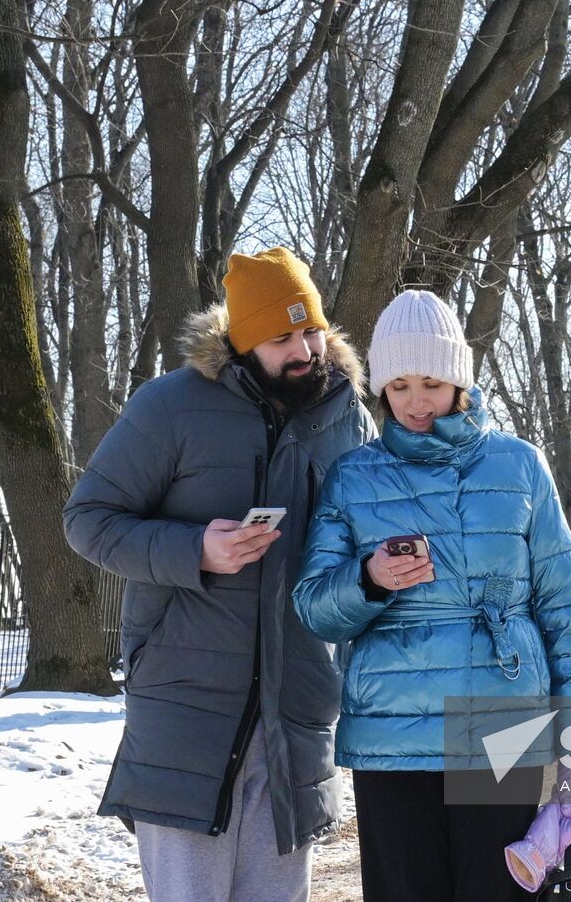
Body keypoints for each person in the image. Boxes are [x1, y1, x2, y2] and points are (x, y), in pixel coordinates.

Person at [63, 247, 377, 902]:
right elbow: (88, 518)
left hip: (298, 713)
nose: (306, 349)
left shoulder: (347, 416)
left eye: (312, 329)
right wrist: (195, 550)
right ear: (241, 340)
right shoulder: (171, 406)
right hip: (187, 710)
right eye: (282, 336)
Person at [291, 289, 571, 902]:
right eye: (398, 385)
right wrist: (369, 579)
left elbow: (564, 610)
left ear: (460, 380)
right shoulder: (355, 475)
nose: (415, 402)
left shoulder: (519, 465)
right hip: (392, 730)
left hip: (503, 716)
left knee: (498, 891)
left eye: (430, 381)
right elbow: (314, 607)